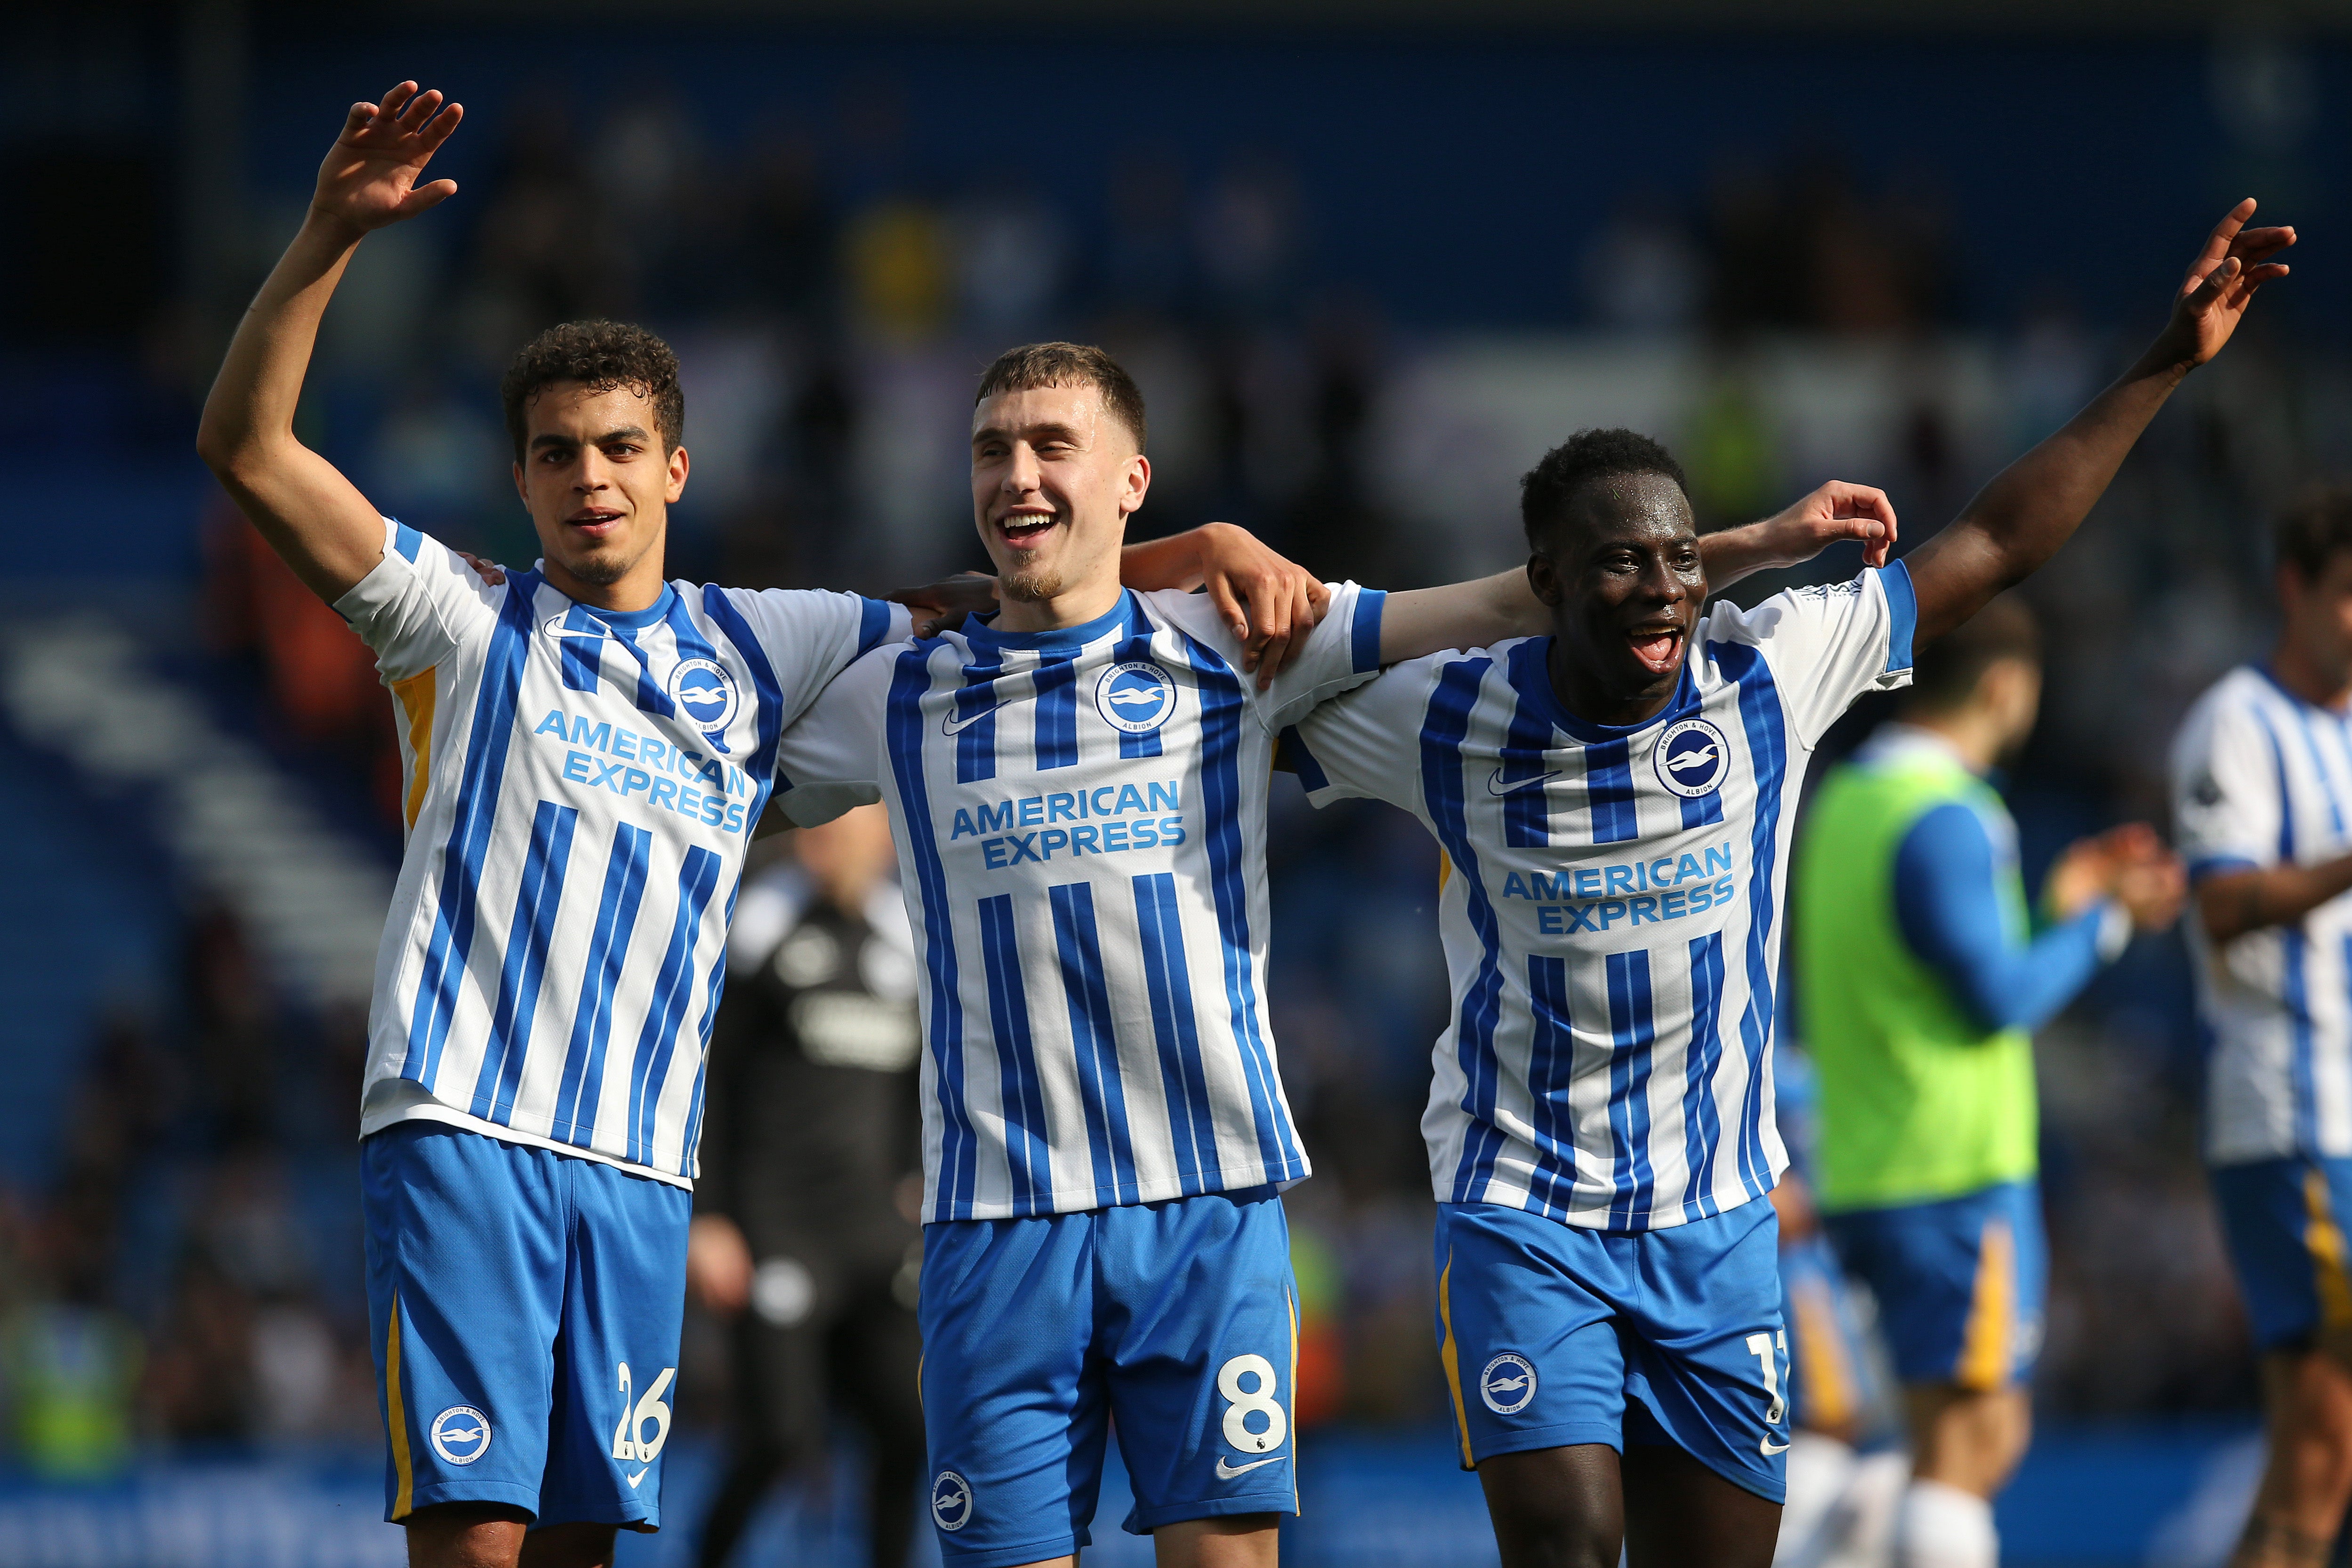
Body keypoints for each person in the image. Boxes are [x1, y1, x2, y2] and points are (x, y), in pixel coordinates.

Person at [192, 83, 1323, 1568]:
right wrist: (331, 234)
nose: (586, 477)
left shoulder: (764, 643)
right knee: (476, 1539)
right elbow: (247, 446)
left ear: (674, 466)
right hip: (467, 1120)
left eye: (614, 448)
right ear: (519, 475)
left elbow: (1018, 592)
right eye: (552, 452)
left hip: (643, 1166)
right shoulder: (457, 621)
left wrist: (1208, 544)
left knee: (585, 1540)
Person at [770, 338, 1903, 1568]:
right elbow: (722, 782)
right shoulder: (896, 689)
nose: (1019, 473)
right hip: (995, 1220)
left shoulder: (1230, 640)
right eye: (993, 448)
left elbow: (1511, 597)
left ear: (1132, 477)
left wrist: (1745, 547)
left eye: (1054, 446)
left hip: (1204, 1209)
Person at [1279, 201, 2292, 1568]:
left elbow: (1994, 542)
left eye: (1681, 558)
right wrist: (1009, 600)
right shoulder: (1443, 717)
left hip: (1717, 1224)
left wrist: (2163, 361)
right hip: (1524, 1214)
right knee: (1567, 1547)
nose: (1658, 592)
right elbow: (1228, 698)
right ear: (1540, 586)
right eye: (1617, 565)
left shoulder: (1769, 670)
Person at [1794, 595, 2184, 1568]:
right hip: (1953, 1165)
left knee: (1940, 1440)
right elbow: (1997, 998)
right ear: (2006, 685)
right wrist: (2105, 926)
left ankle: (1843, 1530)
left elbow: (1916, 967)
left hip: (1863, 1161)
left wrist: (2058, 903)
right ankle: (1831, 1538)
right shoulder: (1949, 814)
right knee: (1978, 1439)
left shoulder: (1844, 801)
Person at [2173, 487, 2352, 1568]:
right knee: (2324, 1441)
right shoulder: (2232, 722)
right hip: (2292, 1113)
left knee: (2316, 1457)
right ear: (2293, 588)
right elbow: (2221, 902)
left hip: (2337, 1120)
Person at [687, 804, 925, 1568]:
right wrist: (710, 1216)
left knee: (910, 1427)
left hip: (875, 1232)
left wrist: (922, 1180)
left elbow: (929, 1083)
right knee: (778, 1438)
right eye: (824, 823)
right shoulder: (758, 926)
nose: (833, 837)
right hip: (776, 1229)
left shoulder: (909, 940)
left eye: (855, 823)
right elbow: (710, 1082)